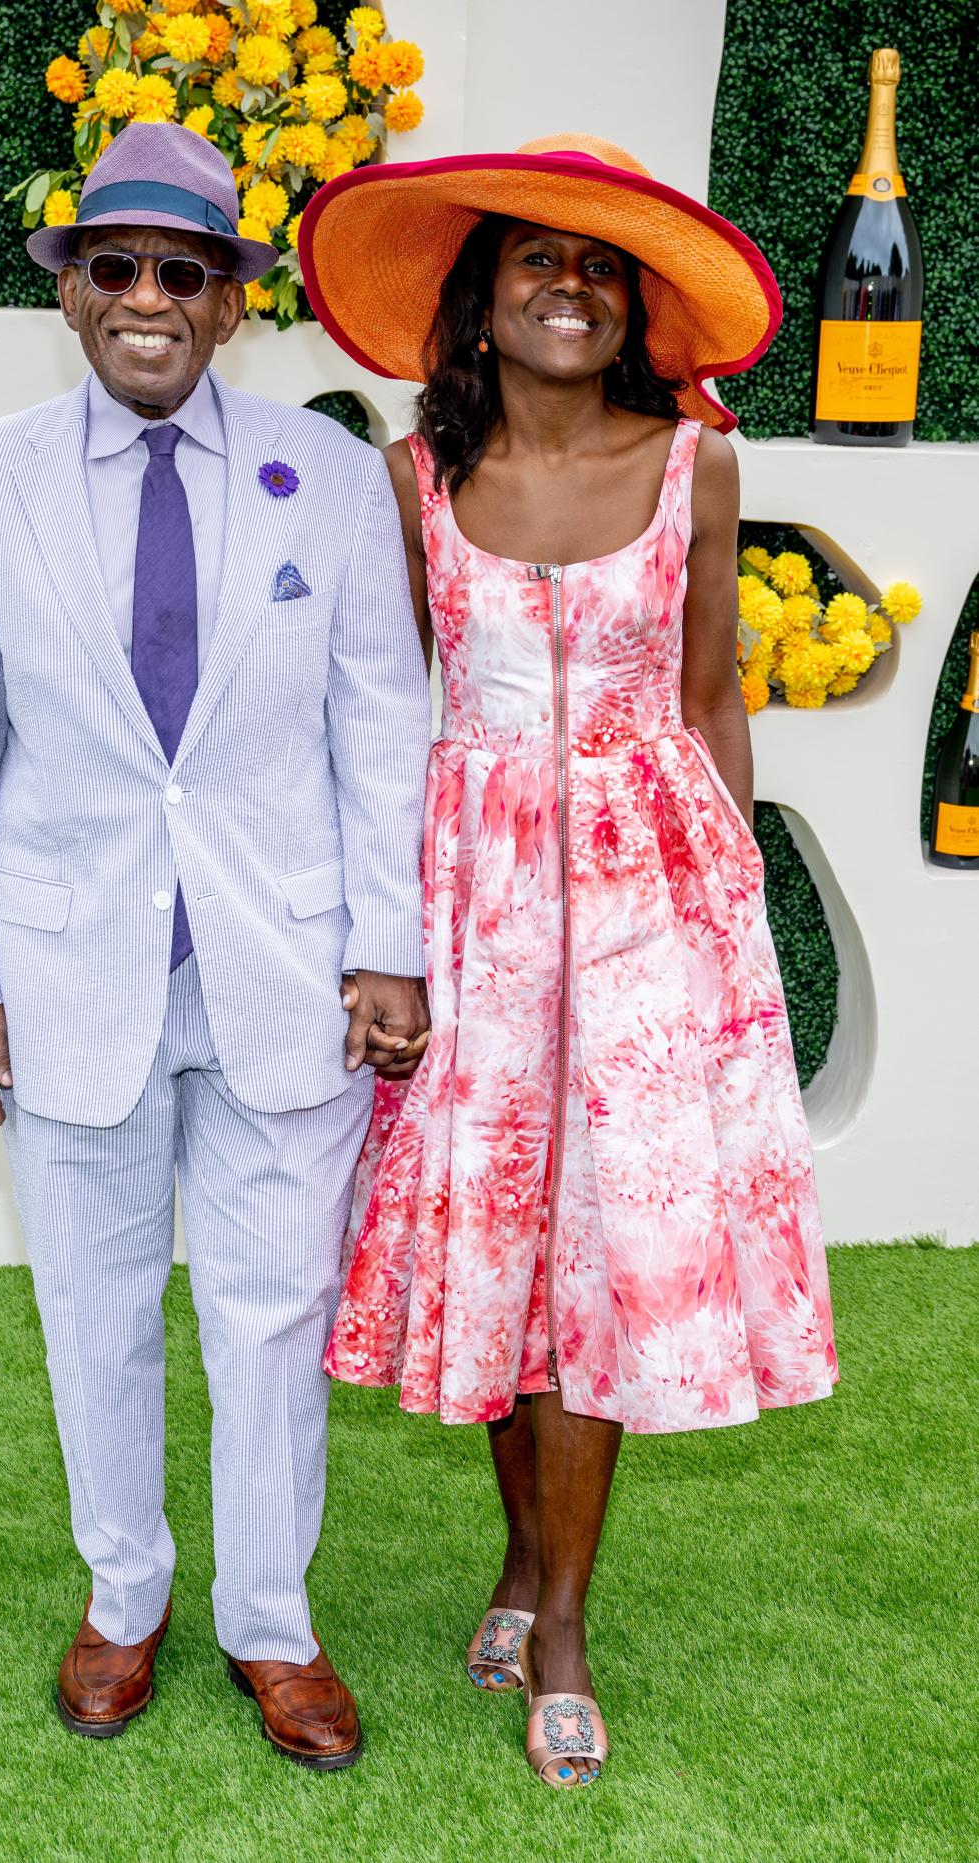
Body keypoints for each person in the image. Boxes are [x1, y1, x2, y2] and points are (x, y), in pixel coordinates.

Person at [299, 134, 838, 1789]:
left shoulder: (693, 468)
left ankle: (566, 1628)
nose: (571, 287)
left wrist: (729, 903)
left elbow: (709, 694)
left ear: (634, 315)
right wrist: (374, 936)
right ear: (477, 303)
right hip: (465, 902)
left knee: (601, 1256)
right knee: (492, 1256)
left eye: (601, 269)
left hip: (644, 905)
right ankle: (518, 1564)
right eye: (538, 260)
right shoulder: (406, 479)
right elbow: (386, 715)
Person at [0, 122, 431, 1769]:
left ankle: (271, 1627)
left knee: (270, 1314)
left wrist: (391, 943)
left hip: (286, 971)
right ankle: (123, 1599)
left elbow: (380, 725)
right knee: (95, 1303)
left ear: (230, 302)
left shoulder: (332, 477)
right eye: (114, 268)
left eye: (182, 274)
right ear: (70, 298)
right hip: (67, 970)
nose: (148, 299)